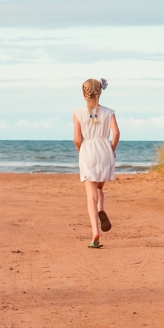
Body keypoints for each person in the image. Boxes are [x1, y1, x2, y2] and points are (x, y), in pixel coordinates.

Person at [73, 78, 120, 249]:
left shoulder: (78, 113)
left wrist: (81, 150)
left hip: (88, 151)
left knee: (90, 195)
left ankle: (95, 233)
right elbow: (116, 133)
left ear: (84, 93)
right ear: (100, 92)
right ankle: (101, 208)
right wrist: (112, 150)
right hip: (104, 150)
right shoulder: (109, 112)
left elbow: (77, 139)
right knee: (99, 188)